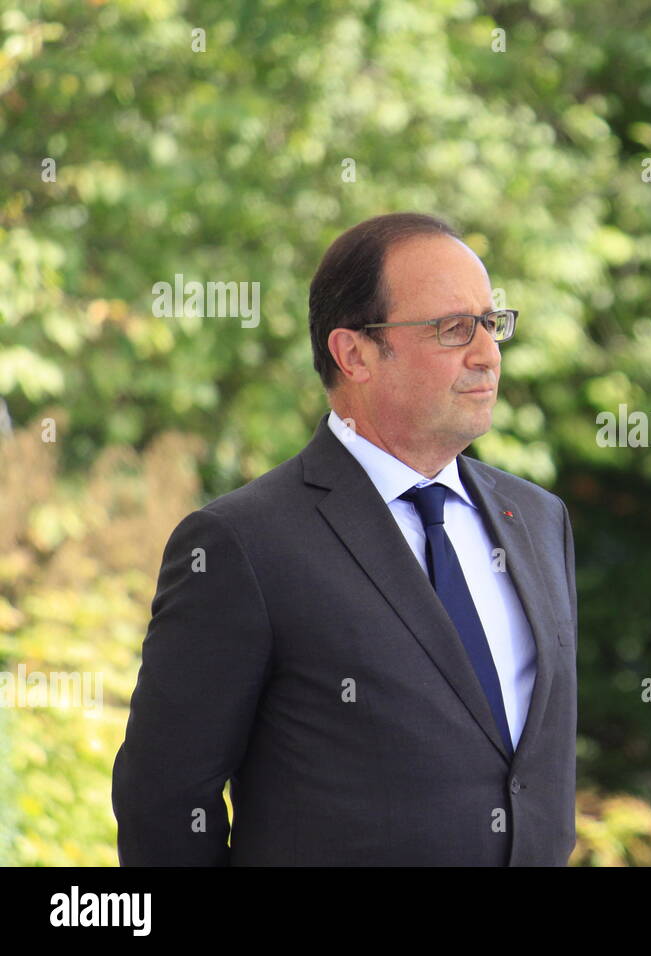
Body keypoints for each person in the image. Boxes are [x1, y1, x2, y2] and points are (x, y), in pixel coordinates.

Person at [112, 212, 578, 865]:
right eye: (452, 329)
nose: (486, 353)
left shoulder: (537, 519)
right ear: (353, 352)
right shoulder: (242, 544)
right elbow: (162, 803)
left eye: (491, 323)